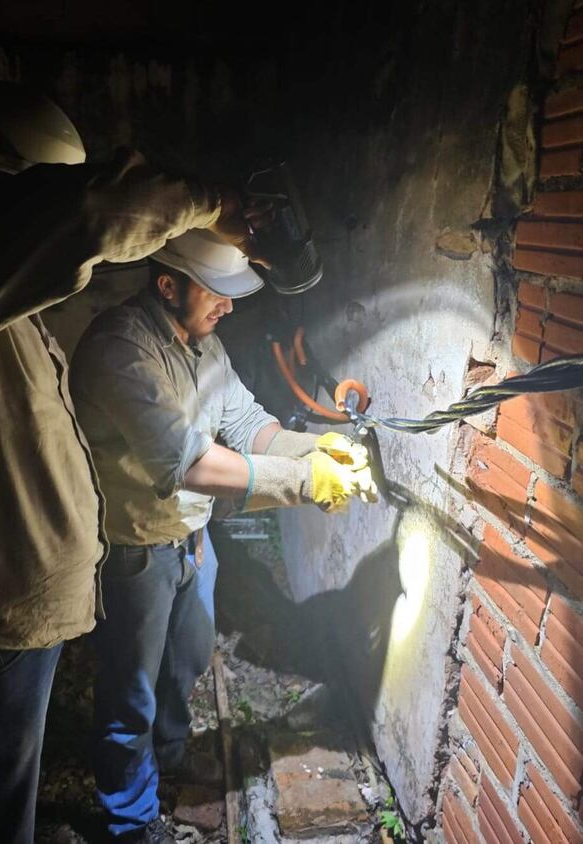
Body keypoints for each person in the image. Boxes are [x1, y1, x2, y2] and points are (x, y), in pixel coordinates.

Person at [0, 81, 268, 844]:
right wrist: (211, 200)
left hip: (0, 613)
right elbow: (85, 217)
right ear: (1, 196)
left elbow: (238, 417)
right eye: (41, 195)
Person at [71, 228, 377, 842]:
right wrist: (303, 481)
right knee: (130, 689)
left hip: (192, 540)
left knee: (185, 662)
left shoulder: (204, 346)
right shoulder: (121, 350)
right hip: (133, 549)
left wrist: (320, 447)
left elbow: (247, 423)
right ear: (167, 285)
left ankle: (174, 758)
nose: (229, 305)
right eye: (217, 292)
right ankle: (130, 818)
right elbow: (186, 463)